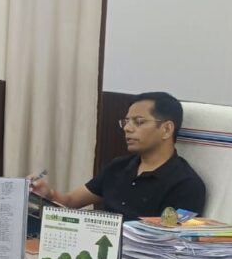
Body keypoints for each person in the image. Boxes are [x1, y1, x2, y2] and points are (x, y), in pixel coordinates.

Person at [30, 92, 206, 220]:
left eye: (138, 122)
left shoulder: (186, 184)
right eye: (126, 122)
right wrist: (48, 193)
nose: (127, 128)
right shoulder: (119, 167)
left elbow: (172, 244)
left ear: (166, 129)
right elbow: (70, 202)